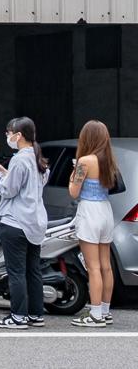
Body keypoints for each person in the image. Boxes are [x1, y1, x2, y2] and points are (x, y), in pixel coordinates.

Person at [0, 116, 49, 330]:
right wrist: (5, 172)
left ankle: (18, 316)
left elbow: (8, 190)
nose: (7, 136)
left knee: (16, 272)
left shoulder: (20, 159)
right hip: (34, 222)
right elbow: (25, 183)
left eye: (8, 132)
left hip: (16, 222)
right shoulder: (36, 157)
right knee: (33, 270)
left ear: (18, 135)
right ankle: (35, 314)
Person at [69, 120, 118, 328]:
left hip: (89, 211)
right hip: (106, 211)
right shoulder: (109, 160)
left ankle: (95, 314)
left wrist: (73, 172)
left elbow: (74, 191)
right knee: (106, 265)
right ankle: (105, 311)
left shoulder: (85, 161)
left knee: (93, 267)